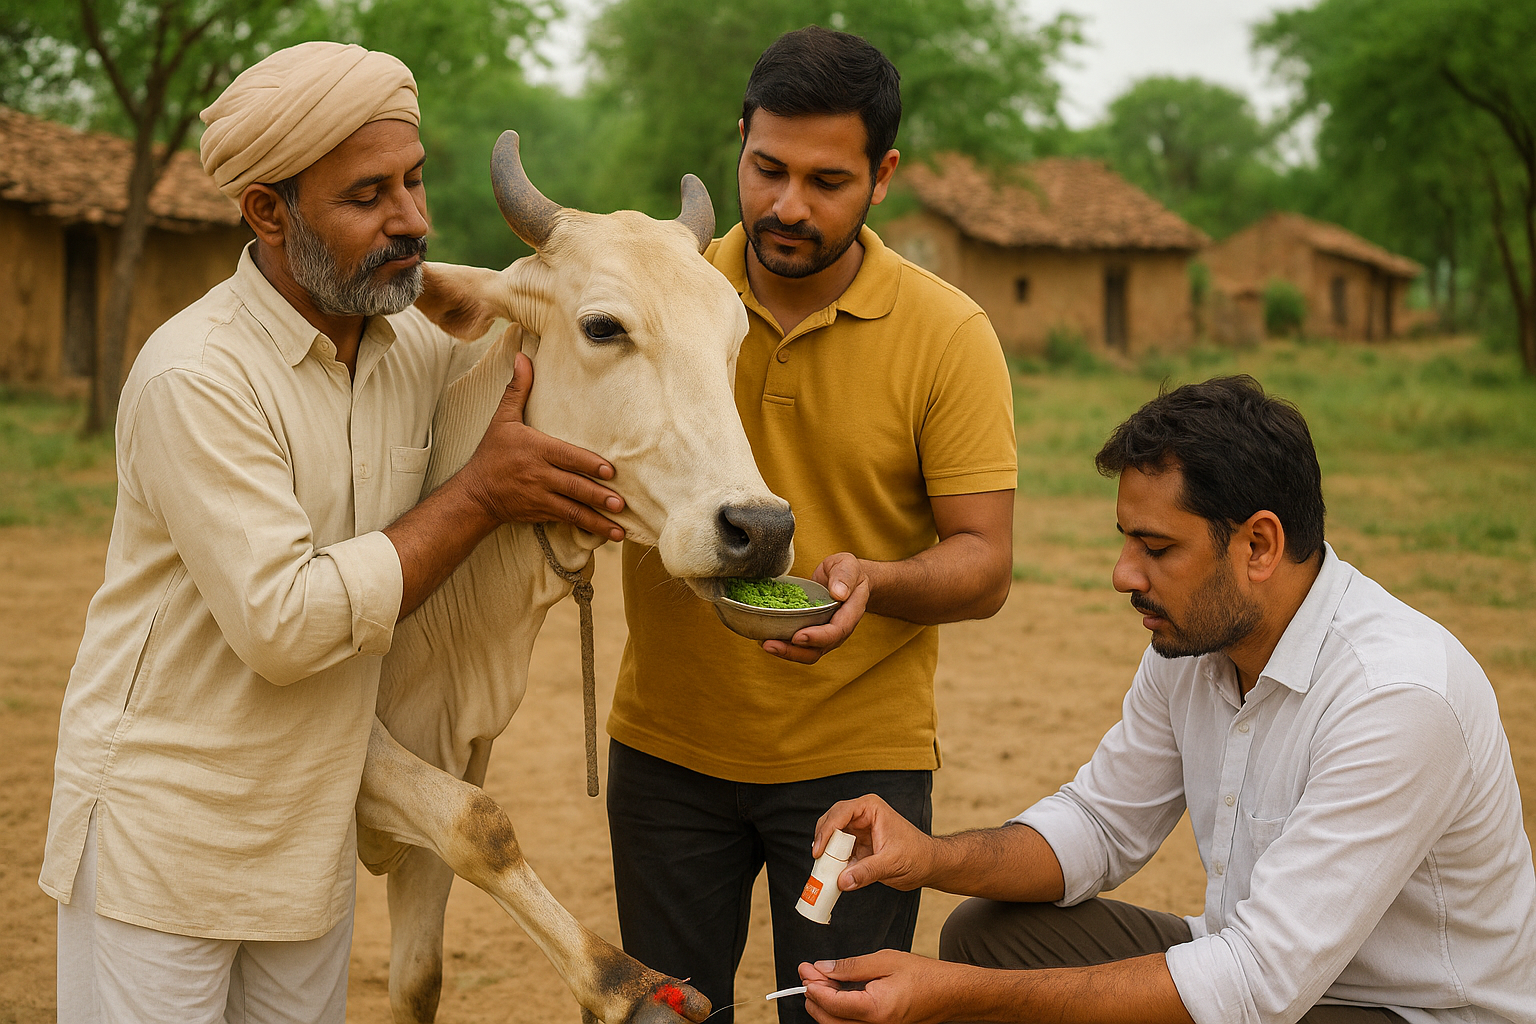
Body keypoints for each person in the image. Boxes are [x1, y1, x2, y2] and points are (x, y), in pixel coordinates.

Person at [40, 41, 628, 1022]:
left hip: (310, 833)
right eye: (367, 197)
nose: (412, 221)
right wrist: (485, 493)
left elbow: (565, 366)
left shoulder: (417, 353)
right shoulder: (199, 375)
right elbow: (284, 626)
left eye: (414, 181)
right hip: (167, 839)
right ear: (268, 212)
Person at [795, 375, 1536, 1024]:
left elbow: (1255, 984)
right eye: (1125, 541)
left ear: (1259, 546)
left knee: (982, 980)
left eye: (1155, 548)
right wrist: (927, 856)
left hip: (1403, 1010)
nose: (1123, 574)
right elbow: (1099, 826)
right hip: (1261, 974)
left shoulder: (1395, 698)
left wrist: (959, 997)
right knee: (988, 939)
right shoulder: (1193, 641)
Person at [605, 25, 1018, 1024]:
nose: (788, 205)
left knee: (842, 1014)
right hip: (668, 757)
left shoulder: (947, 333)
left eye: (827, 181)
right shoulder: (657, 300)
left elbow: (985, 564)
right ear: (737, 141)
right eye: (767, 168)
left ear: (883, 177)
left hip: (856, 776)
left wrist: (874, 579)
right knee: (660, 1015)